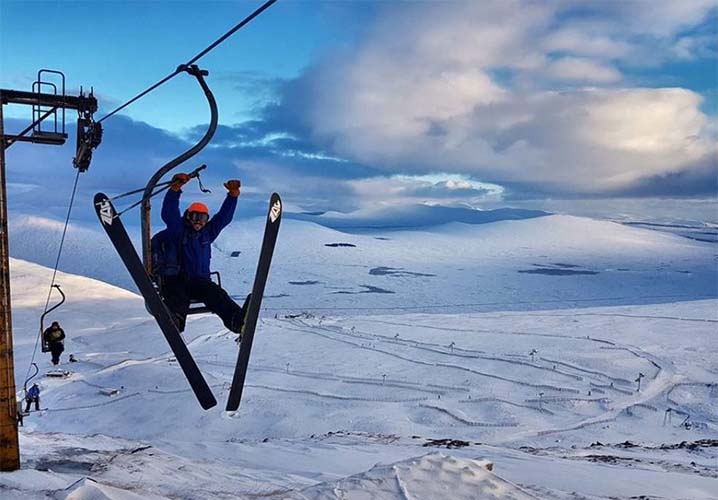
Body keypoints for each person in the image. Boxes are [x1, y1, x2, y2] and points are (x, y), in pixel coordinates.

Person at [160, 172, 249, 335]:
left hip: (200, 282)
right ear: (188, 216)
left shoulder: (207, 233)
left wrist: (233, 196)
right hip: (178, 280)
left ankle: (238, 321)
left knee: (217, 294)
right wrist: (175, 189)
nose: (198, 222)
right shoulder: (179, 230)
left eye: (202, 218)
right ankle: (174, 322)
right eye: (195, 217)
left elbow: (223, 218)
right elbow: (169, 213)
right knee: (176, 297)